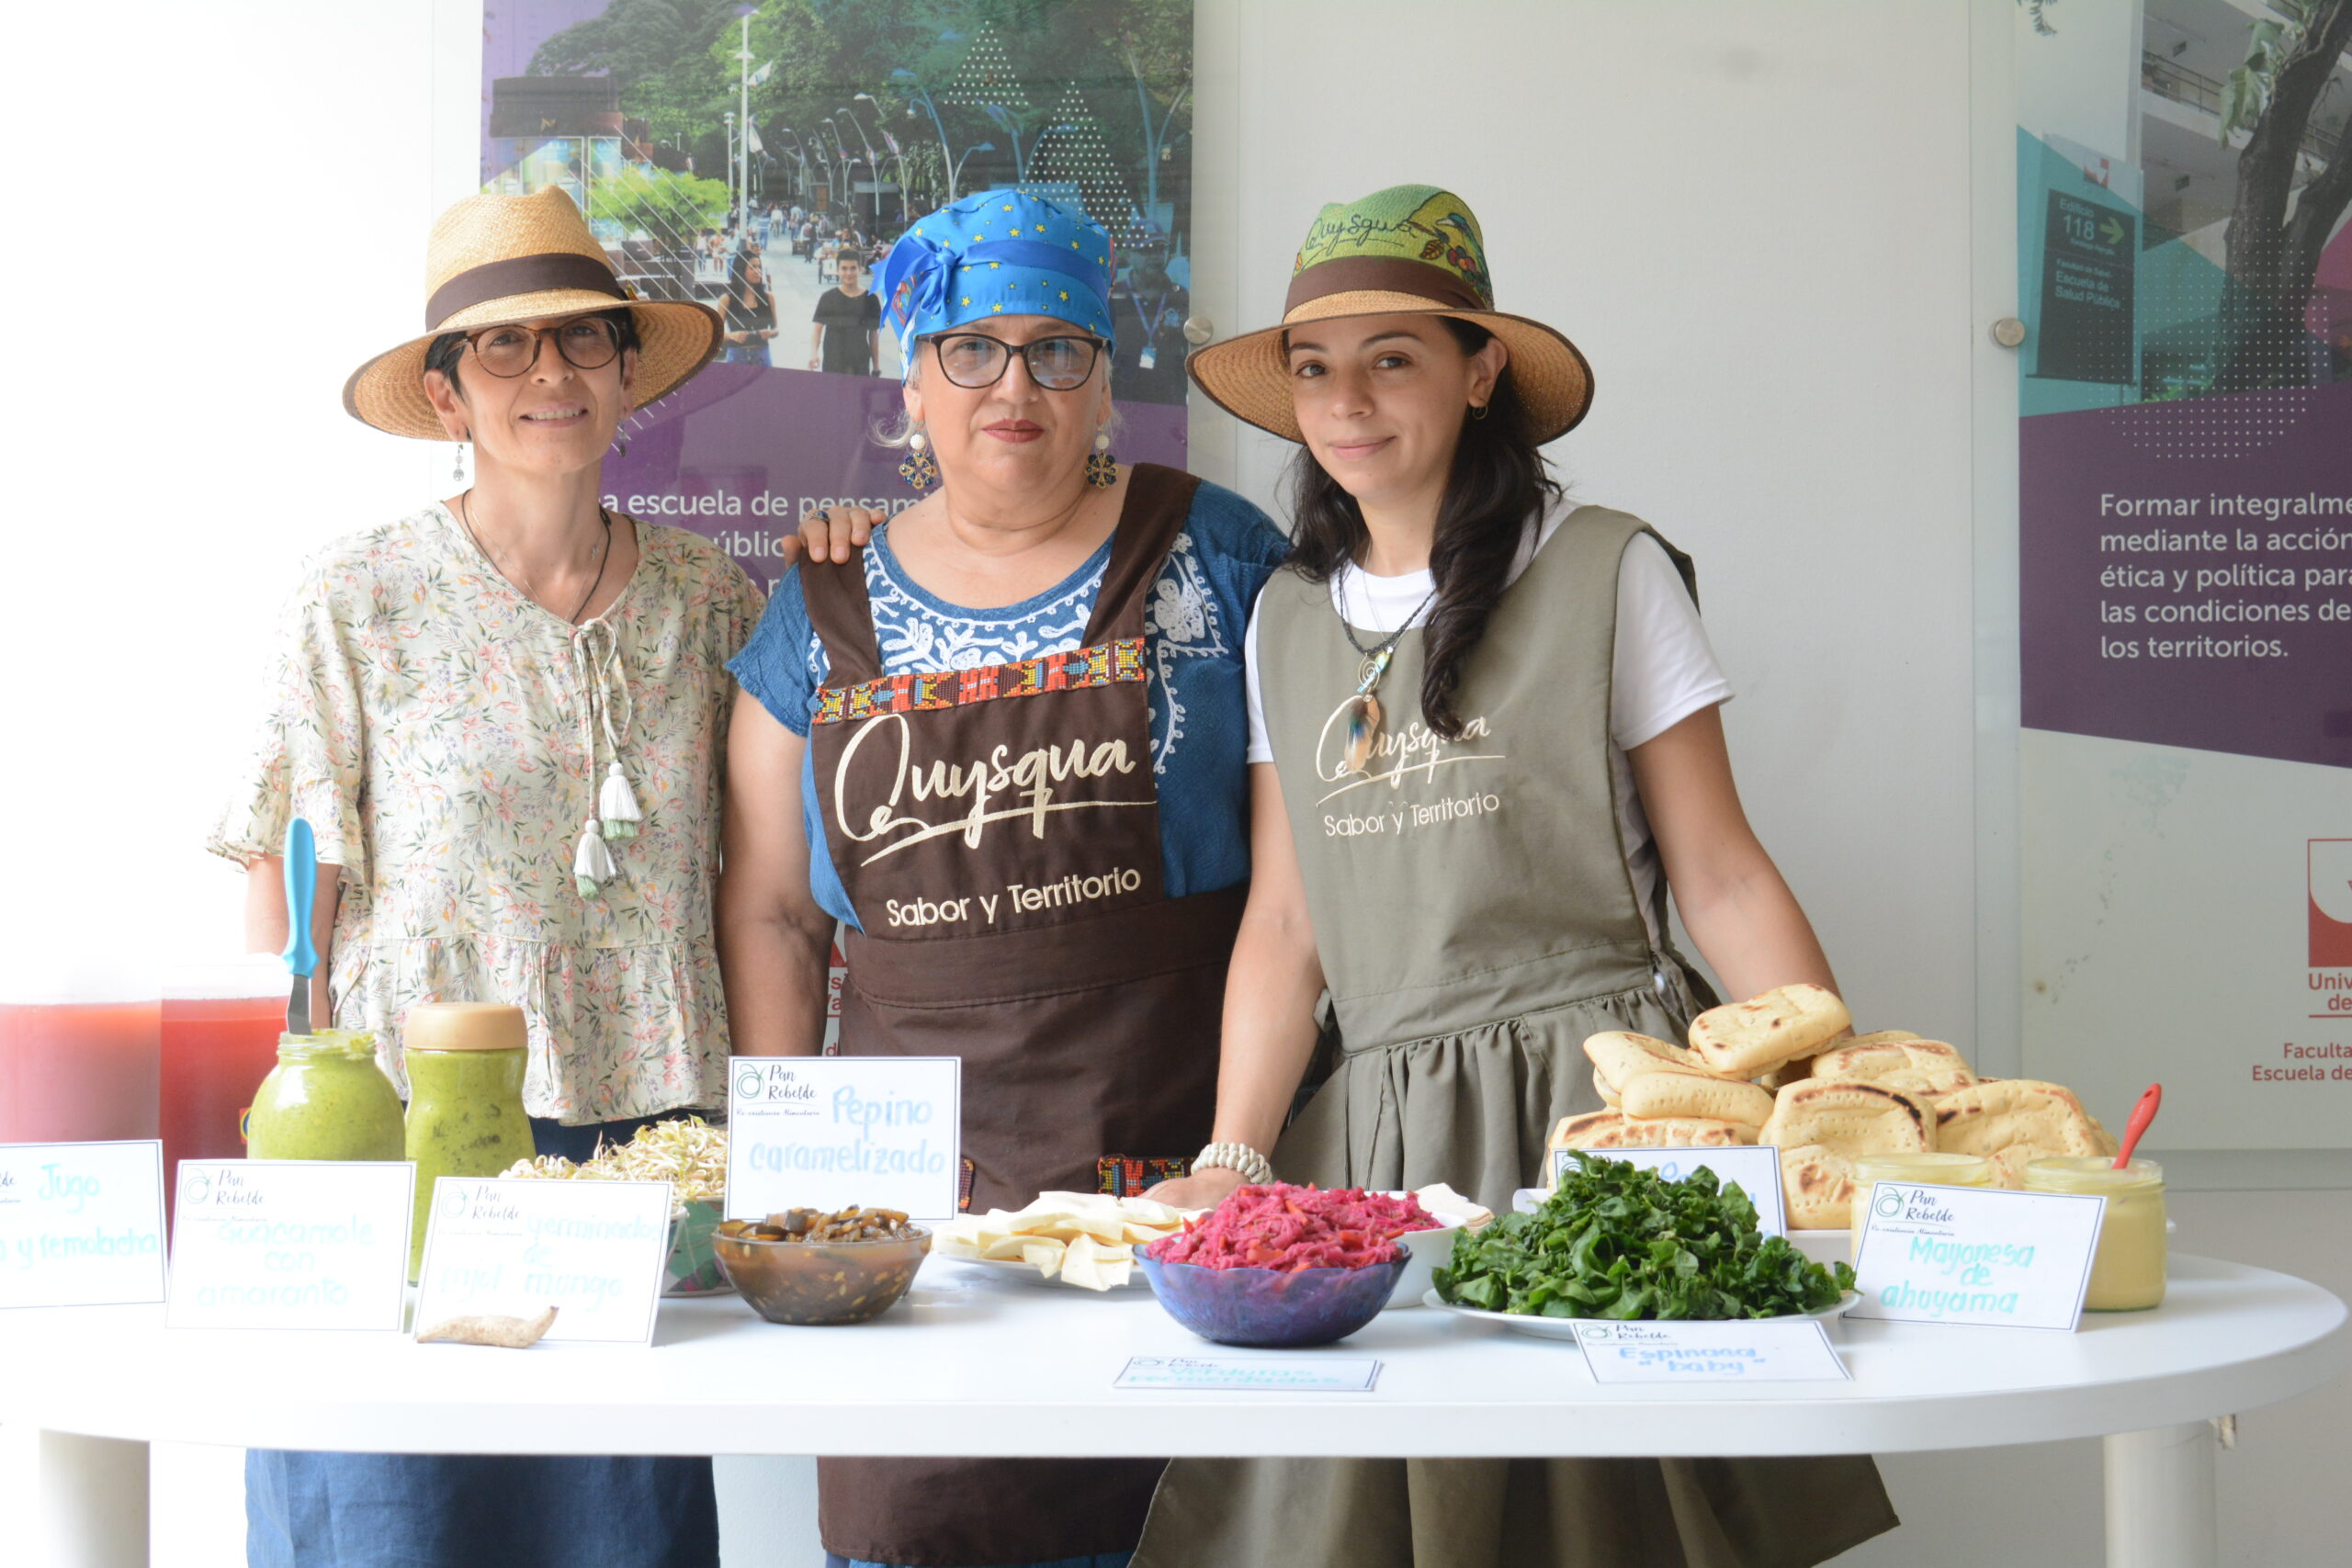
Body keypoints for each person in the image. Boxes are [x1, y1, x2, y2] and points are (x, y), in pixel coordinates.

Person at [1130, 185, 1900, 1567]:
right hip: (1379, 1145)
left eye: (1392, 359)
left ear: (1480, 370)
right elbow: (1289, 924)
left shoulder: (1608, 568)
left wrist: (1838, 1108)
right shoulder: (1284, 621)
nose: (1346, 402)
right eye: (1314, 367)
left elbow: (1720, 873)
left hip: (1610, 1117)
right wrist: (1234, 1160)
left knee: (1612, 1518)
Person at [720, 186, 1289, 1568]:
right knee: (919, 1523)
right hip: (906, 1217)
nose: (1012, 386)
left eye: (1055, 348)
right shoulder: (820, 603)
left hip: (1183, 1180)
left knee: (1193, 1520)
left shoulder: (1222, 560)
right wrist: (789, 1195)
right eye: (970, 349)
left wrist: (1236, 1158)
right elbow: (775, 913)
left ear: (1106, 380)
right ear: (911, 384)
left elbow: (1299, 895)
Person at [208, 186, 759, 1568]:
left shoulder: (713, 598)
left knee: (618, 1529)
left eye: (581, 338)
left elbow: (764, 885)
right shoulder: (355, 595)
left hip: (643, 1144)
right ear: (448, 394)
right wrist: (312, 1137)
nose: (548, 373)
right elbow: (290, 909)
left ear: (627, 373)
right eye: (503, 347)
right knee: (396, 1520)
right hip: (414, 1128)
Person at [809, 253, 881, 374]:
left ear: (860, 269)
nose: (849, 273)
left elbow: (873, 337)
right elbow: (817, 330)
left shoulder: (871, 299)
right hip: (833, 361)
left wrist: (876, 367)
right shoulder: (828, 297)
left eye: (853, 268)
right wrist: (814, 354)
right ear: (837, 270)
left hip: (860, 363)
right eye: (844, 268)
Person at [720, 245, 777, 366]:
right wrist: (732, 336)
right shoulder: (726, 300)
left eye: (759, 267)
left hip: (762, 356)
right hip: (736, 356)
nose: (758, 271)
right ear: (741, 271)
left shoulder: (769, 298)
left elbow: (776, 329)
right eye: (753, 267)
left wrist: (770, 333)